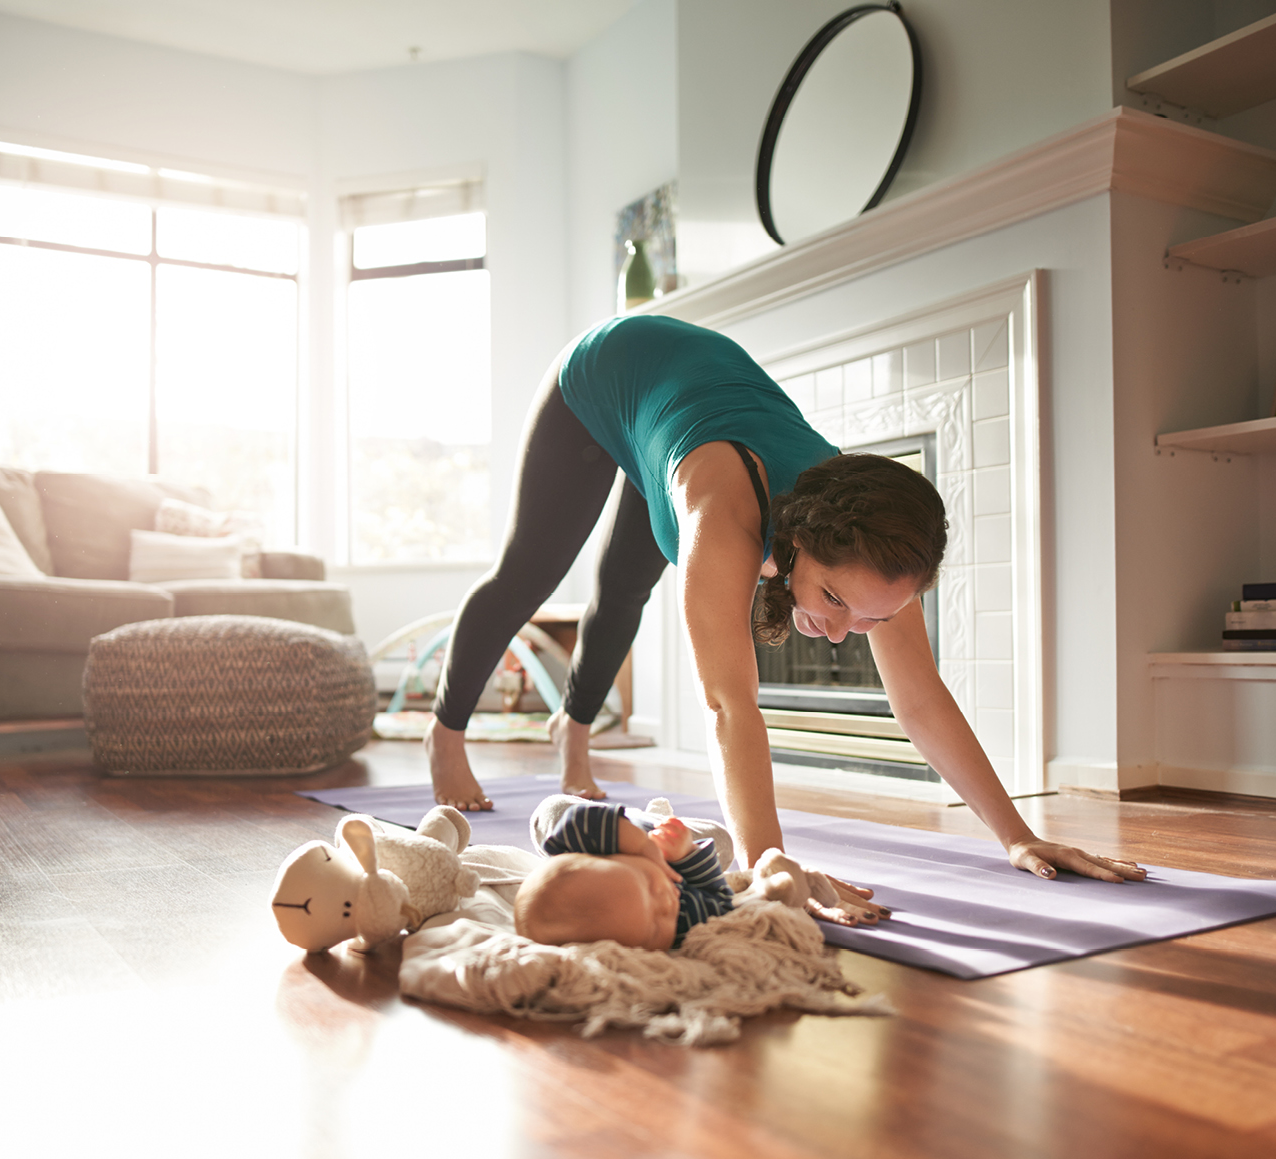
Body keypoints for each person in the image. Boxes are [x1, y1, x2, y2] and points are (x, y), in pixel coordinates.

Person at [427, 315, 1145, 920]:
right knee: (531, 574)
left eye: (868, 618)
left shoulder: (879, 549)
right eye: (833, 601)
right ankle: (444, 732)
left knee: (624, 594)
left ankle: (571, 738)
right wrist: (770, 864)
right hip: (608, 375)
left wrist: (1017, 835)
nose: (839, 632)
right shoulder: (721, 510)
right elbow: (727, 706)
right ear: (795, 542)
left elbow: (919, 699)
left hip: (684, 400)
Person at [515, 800, 730, 950]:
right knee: (722, 840)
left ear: (607, 858)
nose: (667, 901)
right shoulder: (681, 921)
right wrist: (686, 853)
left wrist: (641, 845)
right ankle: (656, 815)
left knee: (553, 809)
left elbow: (579, 820)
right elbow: (721, 903)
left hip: (626, 829)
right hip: (674, 839)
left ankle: (635, 818)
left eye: (648, 883)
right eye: (654, 928)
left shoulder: (587, 856)